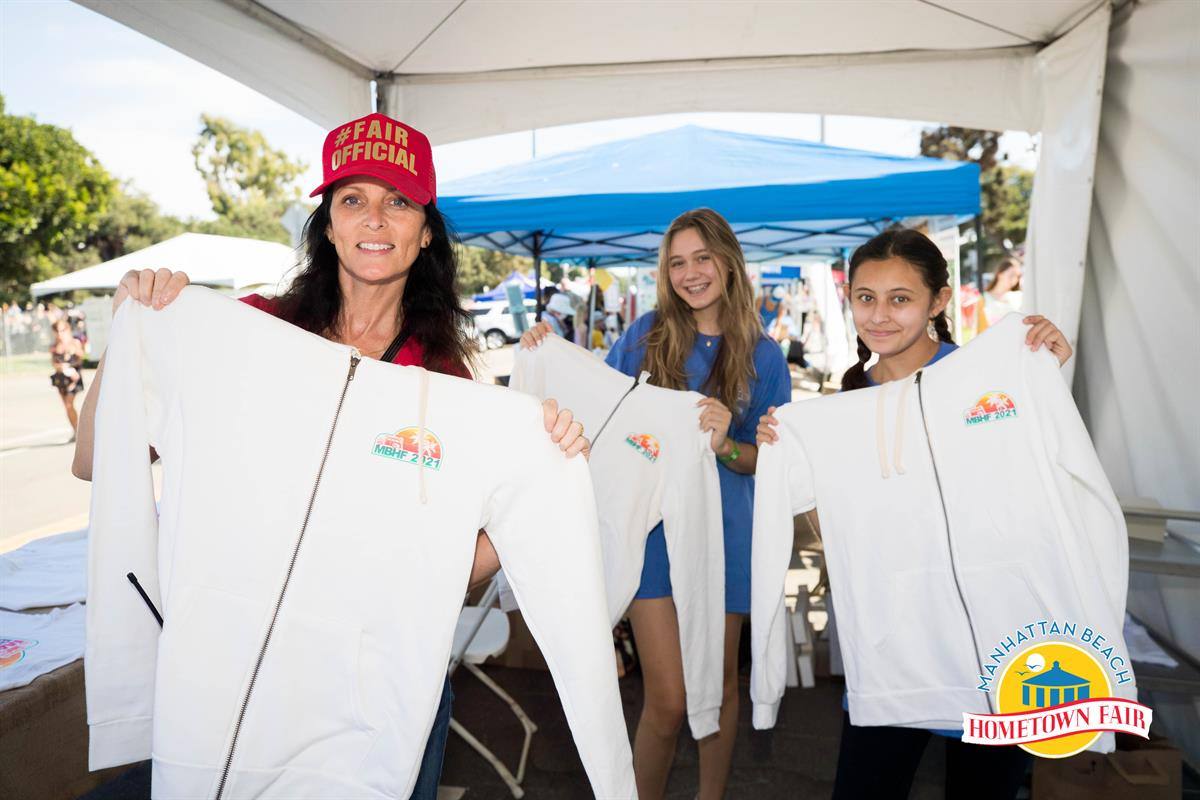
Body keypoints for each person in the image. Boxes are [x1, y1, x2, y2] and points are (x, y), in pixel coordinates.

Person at [71, 112, 590, 800]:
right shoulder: (250, 329)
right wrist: (135, 334)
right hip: (242, 676)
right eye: (353, 200)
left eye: (397, 201)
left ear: (425, 228)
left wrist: (537, 488)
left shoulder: (445, 385)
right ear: (328, 223)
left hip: (378, 693)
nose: (375, 219)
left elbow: (448, 568)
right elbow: (93, 458)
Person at [757, 228, 1072, 800]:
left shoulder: (991, 380)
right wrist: (786, 451)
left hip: (995, 649)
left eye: (900, 298)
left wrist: (1047, 376)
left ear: (938, 301)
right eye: (864, 297)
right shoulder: (841, 410)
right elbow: (836, 531)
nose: (879, 315)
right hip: (892, 652)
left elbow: (1047, 480)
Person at [522, 208, 790, 800]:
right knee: (668, 699)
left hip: (726, 534)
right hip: (649, 536)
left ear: (728, 261)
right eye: (677, 263)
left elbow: (766, 461)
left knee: (717, 688)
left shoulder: (764, 356)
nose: (691, 273)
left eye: (702, 258)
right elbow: (595, 411)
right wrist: (547, 355)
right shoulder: (645, 335)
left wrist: (725, 445)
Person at [49, 318, 87, 439]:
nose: (60, 333)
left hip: (74, 378)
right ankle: (76, 430)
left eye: (62, 330)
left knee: (69, 404)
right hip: (61, 378)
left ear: (67, 329)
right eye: (57, 331)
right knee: (67, 406)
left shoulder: (74, 342)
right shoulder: (54, 346)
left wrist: (70, 366)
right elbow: (54, 363)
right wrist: (62, 367)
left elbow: (80, 358)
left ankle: (81, 430)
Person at [983, 255, 1023, 326]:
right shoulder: (984, 297)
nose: (1014, 279)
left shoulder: (1019, 296)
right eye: (1011, 275)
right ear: (1000, 274)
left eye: (1017, 276)